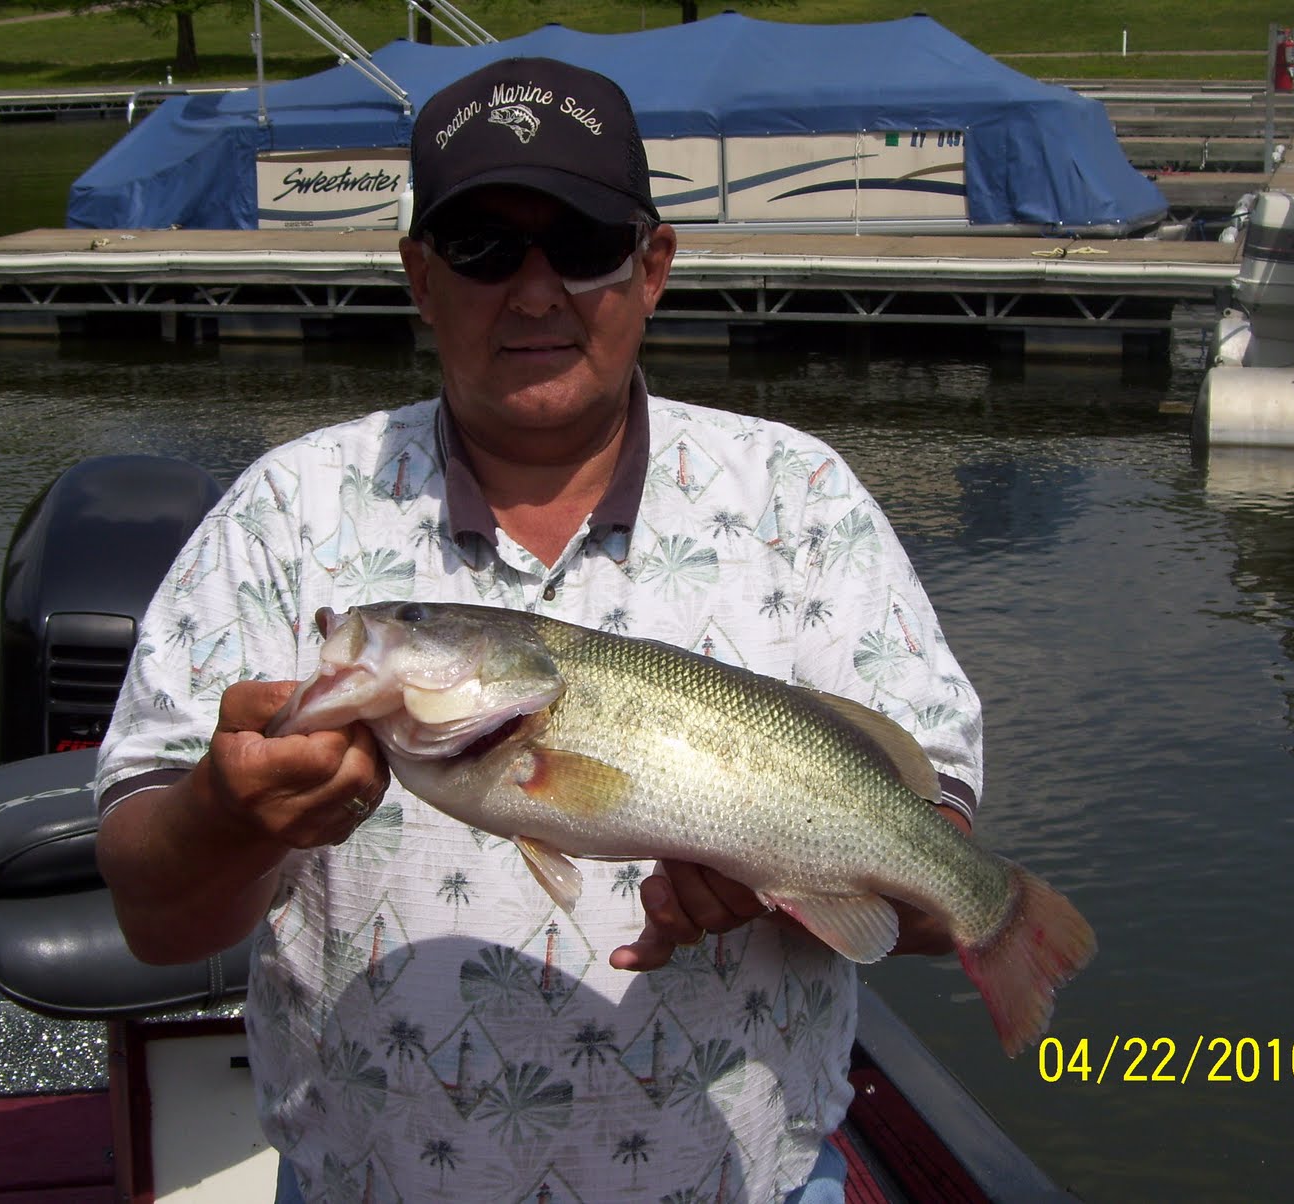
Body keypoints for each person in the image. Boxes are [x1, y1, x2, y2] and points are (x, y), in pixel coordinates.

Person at [94, 56, 983, 1203]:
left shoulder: (800, 501)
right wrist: (224, 819)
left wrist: (805, 869)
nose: (532, 292)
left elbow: (927, 880)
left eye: (581, 244)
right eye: (481, 249)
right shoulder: (282, 515)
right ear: (419, 277)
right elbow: (154, 917)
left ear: (651, 267)